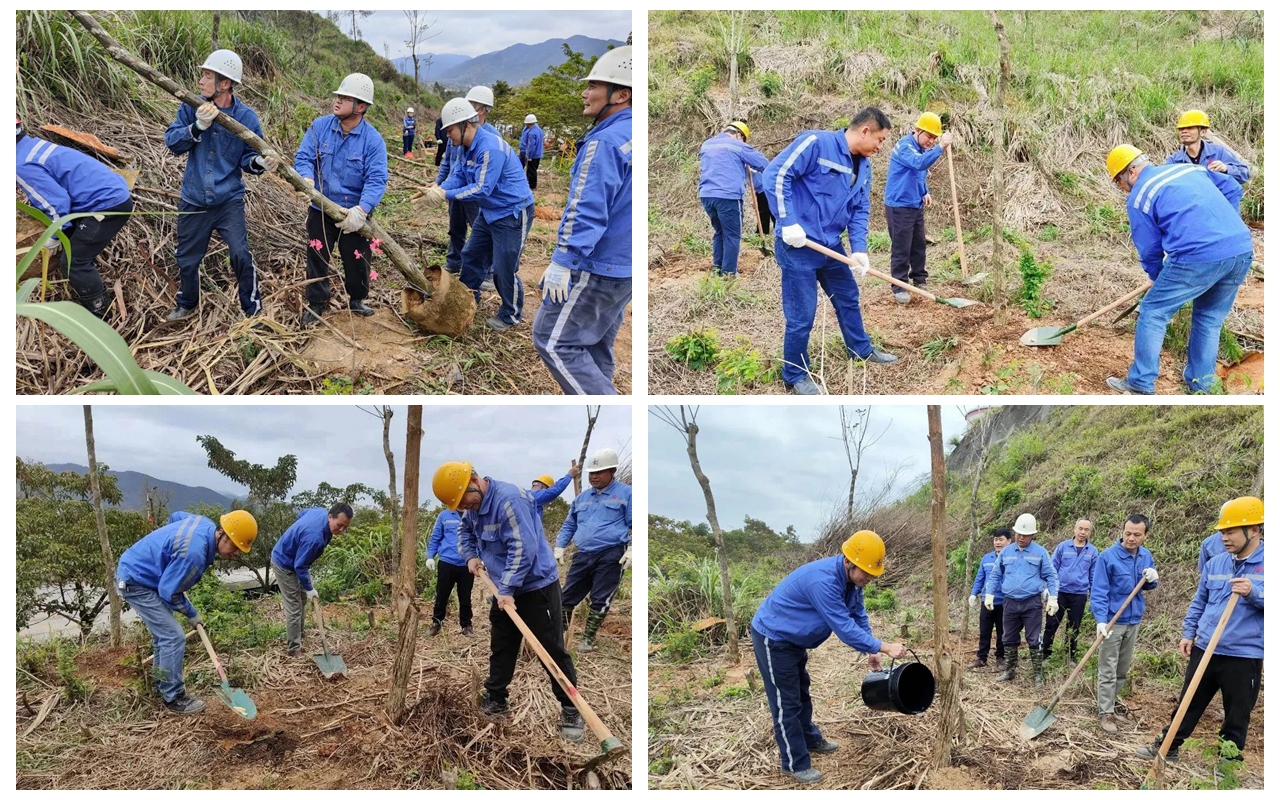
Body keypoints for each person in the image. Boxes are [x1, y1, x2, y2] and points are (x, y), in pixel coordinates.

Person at [432, 461, 584, 742]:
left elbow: (522, 548)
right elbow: (465, 532)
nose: (466, 508)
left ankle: (571, 708)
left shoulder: (510, 500)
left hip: (535, 587)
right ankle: (496, 698)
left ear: (474, 481)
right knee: (502, 644)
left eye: (465, 501)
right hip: (503, 586)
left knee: (550, 649)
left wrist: (508, 589)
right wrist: (471, 556)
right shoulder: (472, 509)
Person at [751, 530, 908, 784]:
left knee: (802, 691)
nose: (869, 578)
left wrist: (871, 650)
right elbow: (844, 628)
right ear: (848, 562)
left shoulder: (853, 582)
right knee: (785, 702)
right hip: (775, 637)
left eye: (872, 573)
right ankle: (793, 763)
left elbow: (858, 615)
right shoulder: (822, 581)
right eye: (866, 572)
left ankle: (811, 739)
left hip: (794, 639)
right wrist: (884, 646)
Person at [762, 107, 899, 395]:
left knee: (848, 297)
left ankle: (860, 350)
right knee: (802, 315)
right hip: (798, 245)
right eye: (881, 139)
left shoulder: (864, 165)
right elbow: (776, 174)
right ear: (865, 131)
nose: (880, 147)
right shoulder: (816, 143)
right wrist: (787, 222)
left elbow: (860, 208)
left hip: (831, 246)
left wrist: (859, 249)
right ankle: (795, 374)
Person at [1104, 145, 1254, 395]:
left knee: (1153, 311)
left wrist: (1155, 276)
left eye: (1118, 181)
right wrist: (1227, 225)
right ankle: (1202, 385)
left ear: (1131, 172)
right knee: (1208, 318)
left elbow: (1149, 247)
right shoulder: (1188, 169)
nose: (1121, 188)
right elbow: (1232, 187)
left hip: (1196, 257)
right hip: (1240, 248)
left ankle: (1140, 383)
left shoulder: (1140, 196)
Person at [532, 46, 633, 395]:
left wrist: (563, 259)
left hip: (597, 265)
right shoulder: (633, 134)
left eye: (594, 86)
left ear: (622, 94)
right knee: (594, 345)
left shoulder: (604, 141)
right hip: (624, 266)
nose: (585, 93)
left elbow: (586, 207)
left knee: (553, 340)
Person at [1136, 497, 1263, 766]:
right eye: (1222, 532)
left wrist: (1255, 593)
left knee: (1237, 713)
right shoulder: (1216, 563)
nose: (1224, 538)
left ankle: (1227, 762)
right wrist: (1188, 632)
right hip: (1205, 646)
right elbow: (1199, 601)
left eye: (1229, 531)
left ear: (1253, 529)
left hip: (1243, 654)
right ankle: (1168, 745)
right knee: (1188, 701)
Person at [163, 50, 278, 322]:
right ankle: (188, 302)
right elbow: (172, 142)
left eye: (207, 76)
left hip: (228, 200)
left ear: (224, 83)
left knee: (240, 253)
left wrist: (261, 163)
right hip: (193, 198)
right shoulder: (190, 107)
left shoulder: (246, 118)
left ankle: (253, 309)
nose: (201, 81)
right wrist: (197, 127)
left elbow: (248, 160)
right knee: (187, 258)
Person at [116, 509, 257, 713]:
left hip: (147, 572)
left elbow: (176, 517)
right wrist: (191, 613)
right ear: (222, 533)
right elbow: (168, 592)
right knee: (173, 636)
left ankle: (161, 681)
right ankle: (173, 698)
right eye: (234, 546)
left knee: (164, 634)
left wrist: (169, 553)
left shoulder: (204, 523)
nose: (235, 553)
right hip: (136, 581)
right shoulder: (194, 555)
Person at [422, 97, 534, 331]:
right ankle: (467, 299)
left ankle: (510, 314)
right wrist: (439, 188)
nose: (447, 136)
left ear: (466, 125)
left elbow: (482, 188)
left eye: (450, 129)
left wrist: (446, 195)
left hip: (511, 212)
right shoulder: (464, 147)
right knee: (471, 254)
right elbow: (459, 176)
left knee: (504, 266)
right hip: (490, 210)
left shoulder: (489, 148)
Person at [294, 73, 388, 326]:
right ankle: (316, 302)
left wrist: (362, 209)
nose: (337, 101)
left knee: (357, 258)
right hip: (321, 207)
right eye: (338, 96)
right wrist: (307, 180)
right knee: (317, 254)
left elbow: (376, 179)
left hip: (353, 212)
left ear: (361, 107)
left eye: (346, 98)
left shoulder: (373, 141)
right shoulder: (320, 126)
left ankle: (357, 299)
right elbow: (304, 157)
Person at [16, 117, 133, 317]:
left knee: (73, 262)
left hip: (105, 205)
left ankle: (100, 312)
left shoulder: (19, 164)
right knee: (75, 242)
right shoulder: (32, 146)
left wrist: (53, 237)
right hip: (109, 193)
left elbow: (57, 202)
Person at [555, 448, 632, 653]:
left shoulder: (627, 493)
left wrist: (633, 549)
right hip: (584, 552)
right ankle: (561, 636)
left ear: (612, 471)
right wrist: (560, 546)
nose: (594, 477)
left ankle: (588, 639)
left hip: (611, 553)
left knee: (600, 597)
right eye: (591, 473)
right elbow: (569, 524)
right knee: (567, 595)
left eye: (599, 473)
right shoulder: (582, 498)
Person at [1092, 514, 1159, 734]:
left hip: (1134, 620)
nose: (1131, 538)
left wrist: (1152, 578)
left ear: (1145, 535)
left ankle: (1111, 704)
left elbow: (1148, 586)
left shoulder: (1145, 555)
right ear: (1122, 532)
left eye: (1137, 535)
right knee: (1108, 668)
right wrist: (1101, 620)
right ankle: (1105, 712)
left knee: (1122, 668)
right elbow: (1099, 590)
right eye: (1127, 533)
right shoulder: (1107, 557)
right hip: (1113, 621)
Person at [883, 112, 953, 303]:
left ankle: (919, 279)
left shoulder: (921, 148)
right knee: (901, 247)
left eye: (934, 138)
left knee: (918, 244)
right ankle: (898, 285)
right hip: (899, 205)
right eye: (928, 136)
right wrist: (940, 147)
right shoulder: (904, 147)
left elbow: (918, 174)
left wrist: (925, 191)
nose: (931, 141)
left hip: (915, 203)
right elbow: (918, 164)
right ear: (917, 130)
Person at [983, 513, 1058, 686]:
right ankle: (1009, 670)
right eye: (1018, 534)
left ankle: (1038, 674)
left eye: (1025, 535)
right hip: (1009, 602)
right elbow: (995, 574)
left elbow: (1051, 576)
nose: (1021, 537)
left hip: (1031, 602)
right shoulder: (1007, 552)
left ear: (1033, 535)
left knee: (1033, 638)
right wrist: (989, 593)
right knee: (1008, 637)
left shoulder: (1040, 552)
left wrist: (1053, 597)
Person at [271, 504, 352, 656]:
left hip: (296, 560)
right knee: (294, 607)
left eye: (345, 527)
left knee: (302, 599)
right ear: (330, 517)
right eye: (339, 525)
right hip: (284, 562)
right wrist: (309, 588)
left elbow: (301, 514)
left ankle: (299, 634)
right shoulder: (315, 539)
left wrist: (298, 537)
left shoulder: (320, 512)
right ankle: (294, 649)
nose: (341, 530)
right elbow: (300, 566)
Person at [438, 86, 498, 288]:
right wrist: (438, 186)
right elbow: (449, 163)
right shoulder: (455, 130)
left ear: (482, 109)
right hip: (456, 189)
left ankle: (488, 271)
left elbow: (486, 180)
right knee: (455, 228)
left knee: (481, 229)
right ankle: (454, 262)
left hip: (474, 191)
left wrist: (445, 190)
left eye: (472, 104)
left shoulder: (489, 138)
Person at [698, 121, 769, 275]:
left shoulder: (707, 144)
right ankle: (729, 274)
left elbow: (725, 166)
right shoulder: (738, 145)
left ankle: (717, 269)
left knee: (720, 232)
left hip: (707, 195)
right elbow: (764, 164)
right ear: (739, 135)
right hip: (728, 196)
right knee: (732, 235)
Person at [1042, 518, 1098, 664]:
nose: (1083, 532)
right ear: (1074, 529)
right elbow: (1052, 569)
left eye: (1086, 530)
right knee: (1051, 624)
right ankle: (1045, 655)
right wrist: (1049, 589)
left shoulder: (1092, 551)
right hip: (1060, 592)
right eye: (1080, 528)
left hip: (1079, 594)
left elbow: (1093, 575)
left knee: (1074, 627)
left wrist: (1093, 595)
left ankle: (1070, 657)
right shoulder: (1063, 547)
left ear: (1090, 532)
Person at [1165, 110, 1250, 185]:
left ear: (1203, 132)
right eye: (1181, 129)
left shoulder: (1218, 152)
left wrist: (1226, 169)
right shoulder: (1173, 161)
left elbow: (1244, 174)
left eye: (1189, 128)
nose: (1184, 131)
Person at [425, 508, 473, 637]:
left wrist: (481, 558)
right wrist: (430, 556)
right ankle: (437, 623)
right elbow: (436, 537)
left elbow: (479, 538)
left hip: (467, 563)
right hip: (447, 562)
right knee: (442, 595)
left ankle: (466, 625)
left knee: (465, 597)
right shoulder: (444, 515)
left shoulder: (473, 513)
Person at [968, 527, 1010, 669]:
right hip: (987, 601)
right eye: (996, 539)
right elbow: (980, 578)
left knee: (1002, 631)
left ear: (1009, 541)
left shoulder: (1011, 558)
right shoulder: (987, 558)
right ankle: (981, 657)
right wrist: (974, 593)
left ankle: (1000, 656)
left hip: (1004, 601)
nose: (998, 542)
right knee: (984, 630)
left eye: (1001, 539)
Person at [519, 114, 544, 190]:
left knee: (531, 171)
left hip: (532, 155)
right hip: (532, 153)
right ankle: (526, 183)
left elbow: (531, 145)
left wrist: (529, 156)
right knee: (525, 168)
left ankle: (532, 186)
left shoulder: (533, 132)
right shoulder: (536, 129)